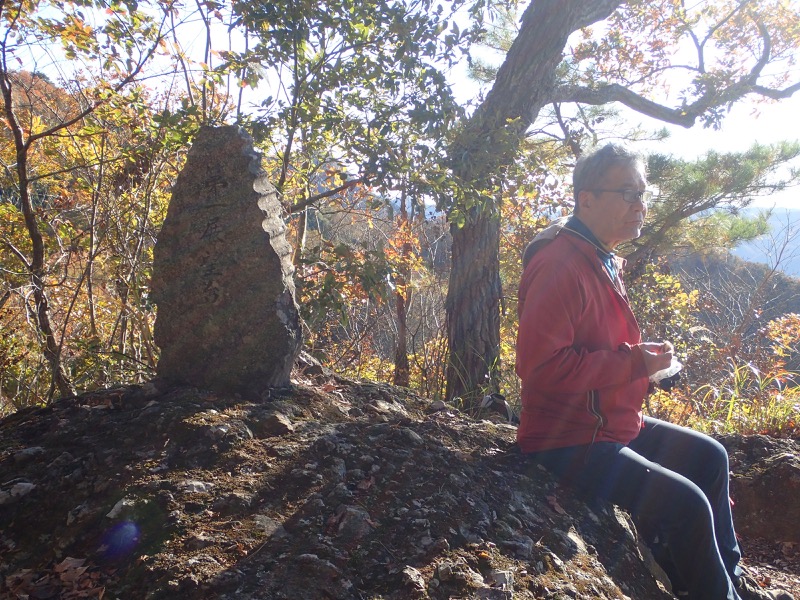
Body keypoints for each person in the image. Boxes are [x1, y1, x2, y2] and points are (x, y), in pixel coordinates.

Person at [515, 143, 793, 600]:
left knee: (710, 457)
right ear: (587, 198)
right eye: (627, 193)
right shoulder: (561, 264)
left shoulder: (600, 254)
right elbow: (539, 367)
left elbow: (591, 343)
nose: (640, 206)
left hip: (611, 423)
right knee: (686, 504)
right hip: (567, 438)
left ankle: (729, 581)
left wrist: (641, 360)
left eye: (644, 193)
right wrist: (633, 363)